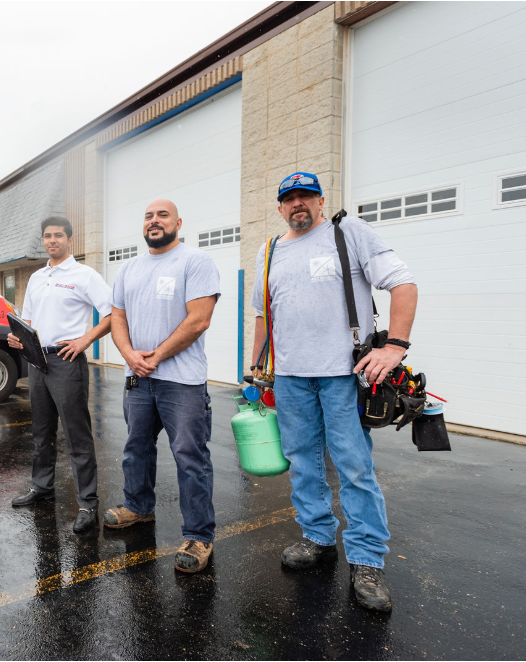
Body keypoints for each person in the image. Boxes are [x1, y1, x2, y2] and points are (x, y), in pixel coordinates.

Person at [251, 171, 418, 612]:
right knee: (303, 461)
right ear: (280, 206)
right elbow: (264, 316)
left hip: (343, 374)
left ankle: (366, 559)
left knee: (354, 466)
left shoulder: (349, 232)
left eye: (306, 196)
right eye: (290, 198)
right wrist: (256, 369)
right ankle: (317, 537)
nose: (298, 204)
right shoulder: (269, 251)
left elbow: (403, 283)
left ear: (321, 201)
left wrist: (396, 347)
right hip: (289, 378)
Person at [104, 199, 221, 574]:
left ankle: (199, 535)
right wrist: (128, 354)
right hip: (138, 378)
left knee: (190, 456)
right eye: (148, 215)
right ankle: (137, 506)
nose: (154, 221)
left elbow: (199, 319)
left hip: (182, 382)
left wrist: (156, 356)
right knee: (135, 447)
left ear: (178, 222)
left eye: (163, 215)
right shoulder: (129, 268)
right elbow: (117, 317)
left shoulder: (194, 262)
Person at [7, 216, 113, 533]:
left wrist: (86, 340)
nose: (52, 240)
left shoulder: (84, 275)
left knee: (77, 436)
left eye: (58, 235)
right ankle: (42, 487)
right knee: (41, 433)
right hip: (37, 361)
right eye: (47, 236)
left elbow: (112, 313)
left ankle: (88, 503)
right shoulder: (38, 277)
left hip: (67, 362)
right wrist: (17, 339)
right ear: (43, 241)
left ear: (69, 240)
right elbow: (27, 321)